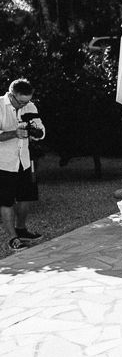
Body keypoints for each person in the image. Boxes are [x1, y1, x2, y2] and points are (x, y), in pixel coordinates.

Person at [0, 79, 45, 250]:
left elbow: (41, 129)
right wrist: (14, 133)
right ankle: (12, 238)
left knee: (26, 197)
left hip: (24, 160)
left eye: (27, 101)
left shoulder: (30, 106)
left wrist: (37, 132)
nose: (25, 104)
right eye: (21, 101)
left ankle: (21, 229)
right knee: (6, 201)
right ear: (11, 95)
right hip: (3, 162)